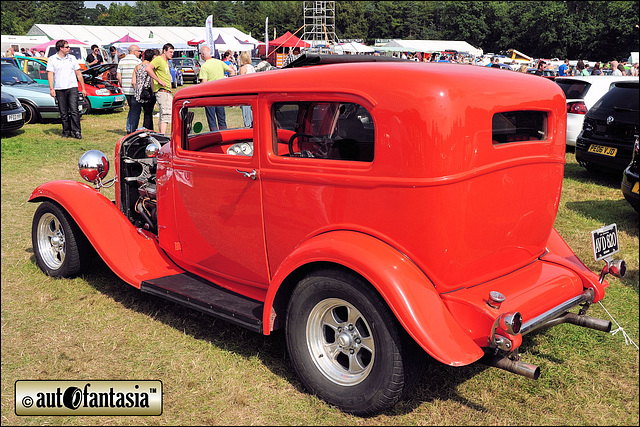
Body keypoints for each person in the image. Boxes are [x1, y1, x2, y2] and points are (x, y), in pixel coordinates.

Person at [46, 39, 87, 139]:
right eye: (67, 47)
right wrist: (52, 88)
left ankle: (77, 131)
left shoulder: (72, 58)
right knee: (63, 112)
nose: (69, 49)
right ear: (61, 48)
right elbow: (50, 74)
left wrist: (83, 88)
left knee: (74, 110)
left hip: (72, 87)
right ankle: (66, 131)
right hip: (60, 88)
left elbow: (78, 73)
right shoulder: (52, 59)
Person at [198, 45, 235, 131]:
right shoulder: (219, 62)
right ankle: (224, 135)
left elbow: (204, 83)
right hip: (220, 95)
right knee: (222, 119)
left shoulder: (204, 66)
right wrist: (231, 78)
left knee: (212, 120)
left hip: (209, 96)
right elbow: (231, 70)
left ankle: (214, 136)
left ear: (202, 55)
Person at [145, 43, 174, 134]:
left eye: (173, 52)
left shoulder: (166, 62)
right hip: (162, 91)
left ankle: (162, 135)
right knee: (166, 114)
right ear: (164, 51)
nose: (172, 54)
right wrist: (159, 80)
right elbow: (148, 68)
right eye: (170, 52)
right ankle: (163, 136)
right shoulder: (158, 59)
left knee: (164, 114)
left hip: (166, 91)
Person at [117, 44, 143, 133]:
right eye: (139, 51)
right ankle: (132, 130)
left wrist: (122, 84)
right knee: (136, 111)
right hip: (135, 89)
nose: (140, 53)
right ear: (134, 51)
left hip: (126, 89)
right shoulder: (138, 61)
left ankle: (129, 127)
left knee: (131, 109)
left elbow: (118, 76)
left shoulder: (122, 61)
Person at [133, 49, 157, 130]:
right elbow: (152, 81)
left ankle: (148, 129)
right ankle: (148, 130)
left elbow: (133, 82)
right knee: (148, 113)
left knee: (146, 112)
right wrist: (153, 93)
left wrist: (137, 91)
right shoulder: (151, 67)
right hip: (149, 91)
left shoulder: (137, 67)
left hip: (139, 93)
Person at [238, 51, 255, 128]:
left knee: (246, 114)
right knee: (251, 113)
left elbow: (241, 82)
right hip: (252, 92)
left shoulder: (243, 68)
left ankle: (247, 128)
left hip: (245, 93)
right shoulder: (252, 68)